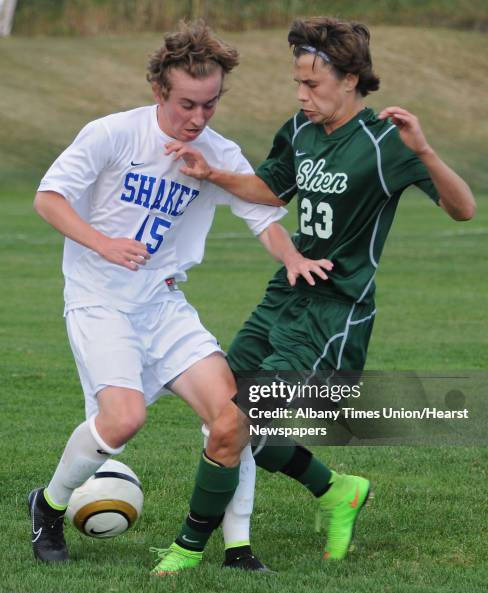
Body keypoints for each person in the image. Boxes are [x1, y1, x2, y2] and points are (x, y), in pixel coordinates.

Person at [165, 16, 476, 565]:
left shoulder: (387, 141)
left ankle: (187, 549)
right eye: (297, 83)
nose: (302, 95)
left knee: (239, 419)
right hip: (284, 293)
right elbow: (271, 188)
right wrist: (213, 174)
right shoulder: (301, 129)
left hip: (336, 309)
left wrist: (425, 152)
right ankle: (336, 489)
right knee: (222, 412)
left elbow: (463, 209)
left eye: (313, 85)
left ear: (352, 78)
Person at [28, 20, 333, 575]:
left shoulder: (216, 152)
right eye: (187, 105)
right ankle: (47, 507)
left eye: (210, 106)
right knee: (122, 421)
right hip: (100, 300)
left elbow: (262, 214)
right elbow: (49, 198)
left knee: (233, 417)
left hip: (164, 304)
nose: (198, 119)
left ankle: (237, 549)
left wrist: (291, 257)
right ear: (159, 92)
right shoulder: (113, 134)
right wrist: (104, 243)